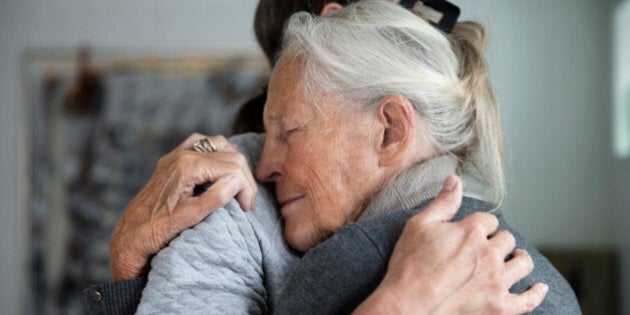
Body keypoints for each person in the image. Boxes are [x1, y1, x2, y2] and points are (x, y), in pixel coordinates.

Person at [85, 0, 553, 314]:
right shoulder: (231, 191)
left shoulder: (491, 249)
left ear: (393, 130)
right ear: (332, 16)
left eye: (288, 130)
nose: (430, 37)